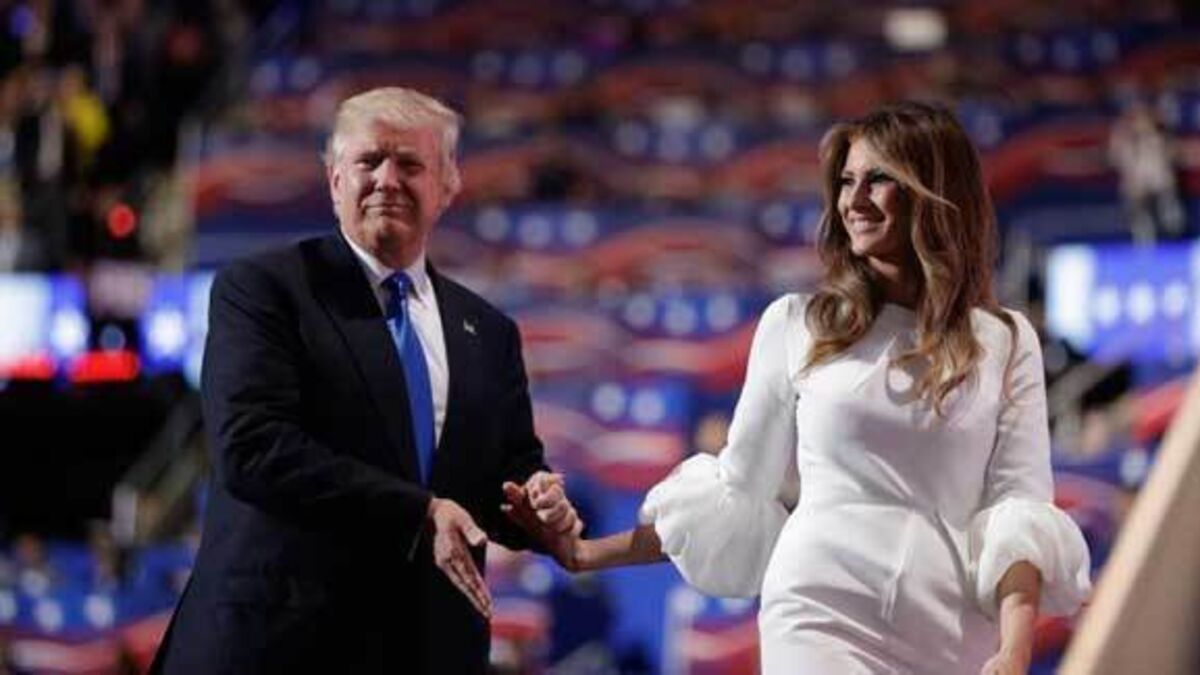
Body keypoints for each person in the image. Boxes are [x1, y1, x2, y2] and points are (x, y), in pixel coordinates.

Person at [513, 101, 1091, 674]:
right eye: (846, 182)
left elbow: (1018, 505)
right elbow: (738, 487)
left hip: (952, 627)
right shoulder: (797, 323)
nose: (854, 201)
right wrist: (585, 553)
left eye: (878, 179)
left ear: (934, 190)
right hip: (818, 604)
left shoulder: (1005, 339)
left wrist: (1014, 650)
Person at [151, 87, 580, 675]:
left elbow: (505, 474)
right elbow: (251, 448)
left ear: (448, 185)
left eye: (409, 164)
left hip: (425, 649)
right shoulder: (264, 290)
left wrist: (538, 504)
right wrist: (419, 512)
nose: (386, 180)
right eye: (368, 161)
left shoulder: (489, 330)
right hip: (278, 648)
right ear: (334, 181)